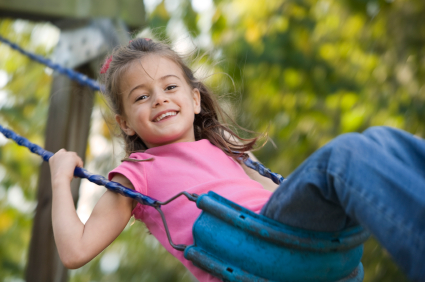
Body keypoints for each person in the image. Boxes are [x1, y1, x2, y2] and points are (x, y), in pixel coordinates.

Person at [49, 38, 425, 282]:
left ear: (195, 99)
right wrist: (59, 180)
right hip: (251, 248)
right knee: (347, 157)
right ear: (125, 123)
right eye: (141, 97)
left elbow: (277, 191)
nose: (160, 99)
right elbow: (75, 250)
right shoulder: (136, 174)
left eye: (169, 86)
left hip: (289, 234)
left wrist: (240, 155)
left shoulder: (220, 146)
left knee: (385, 143)